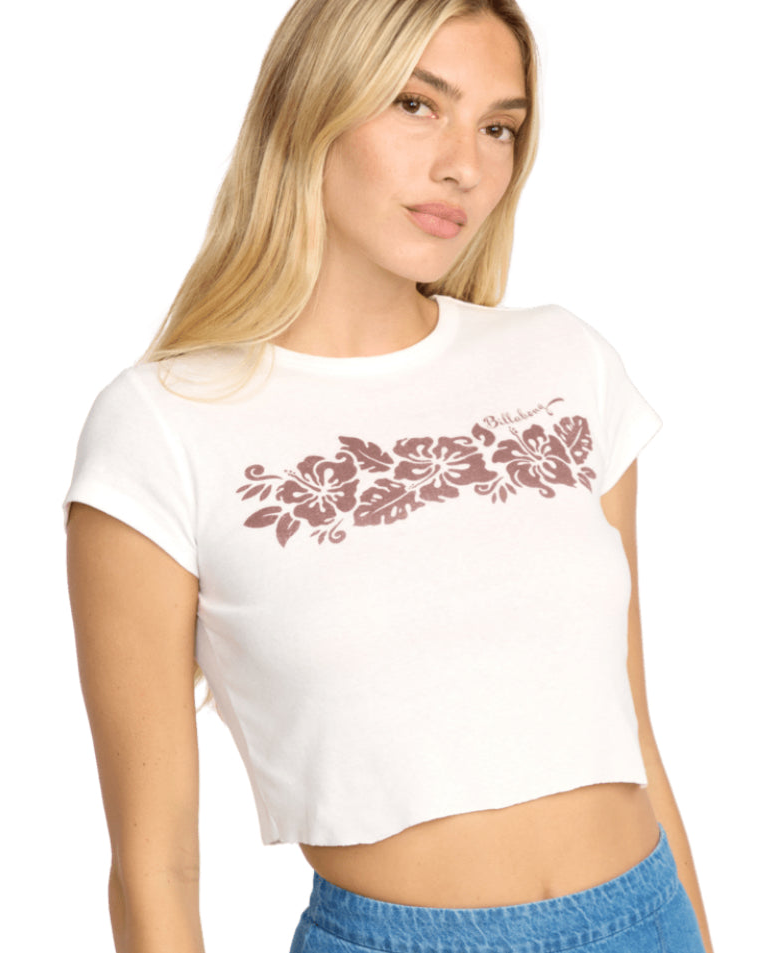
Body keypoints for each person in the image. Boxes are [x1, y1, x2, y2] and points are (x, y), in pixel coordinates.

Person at [64, 1, 714, 951]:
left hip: (644, 916)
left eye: (499, 127)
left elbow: (636, 737)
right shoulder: (163, 425)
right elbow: (154, 864)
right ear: (311, 103)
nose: (465, 165)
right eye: (418, 105)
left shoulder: (565, 362)